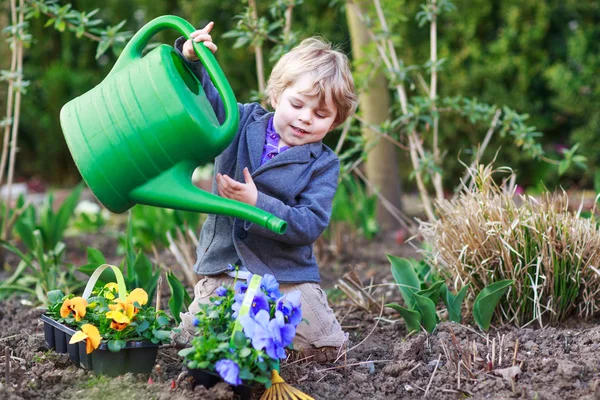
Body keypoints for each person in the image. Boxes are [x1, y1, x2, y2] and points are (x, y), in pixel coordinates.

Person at [172, 21, 357, 363]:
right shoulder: (241, 121)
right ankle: (242, 334)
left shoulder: (323, 164)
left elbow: (309, 223)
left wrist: (257, 204)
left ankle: (266, 336)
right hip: (227, 266)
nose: (305, 119)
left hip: (285, 273)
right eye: (297, 104)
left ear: (334, 122)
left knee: (327, 348)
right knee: (192, 341)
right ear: (276, 96)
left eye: (320, 114)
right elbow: (204, 100)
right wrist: (193, 60)